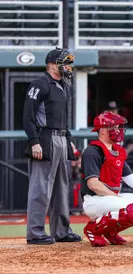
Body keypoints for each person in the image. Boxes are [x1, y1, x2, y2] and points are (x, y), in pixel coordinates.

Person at [22, 47, 82, 245]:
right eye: (64, 62)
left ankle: (61, 231)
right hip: (45, 139)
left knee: (61, 188)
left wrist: (70, 141)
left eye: (69, 63)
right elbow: (27, 117)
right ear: (50, 65)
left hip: (61, 139)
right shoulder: (39, 84)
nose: (68, 67)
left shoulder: (64, 86)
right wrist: (34, 141)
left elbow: (63, 120)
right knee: (40, 188)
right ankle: (35, 233)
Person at [81, 111, 133, 247]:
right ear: (102, 130)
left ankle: (110, 231)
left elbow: (131, 179)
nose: (118, 130)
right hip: (94, 200)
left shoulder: (117, 151)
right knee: (132, 209)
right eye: (114, 127)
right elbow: (93, 185)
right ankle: (93, 230)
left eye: (118, 127)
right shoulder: (93, 151)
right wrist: (118, 199)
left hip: (111, 198)